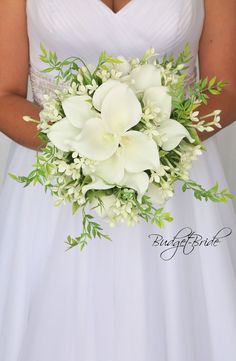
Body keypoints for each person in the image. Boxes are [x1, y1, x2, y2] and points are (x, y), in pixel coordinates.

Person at [0, 0, 236, 360]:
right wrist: (81, 148)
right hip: (53, 187)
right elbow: (4, 95)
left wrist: (153, 142)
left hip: (173, 182)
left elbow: (227, 89)